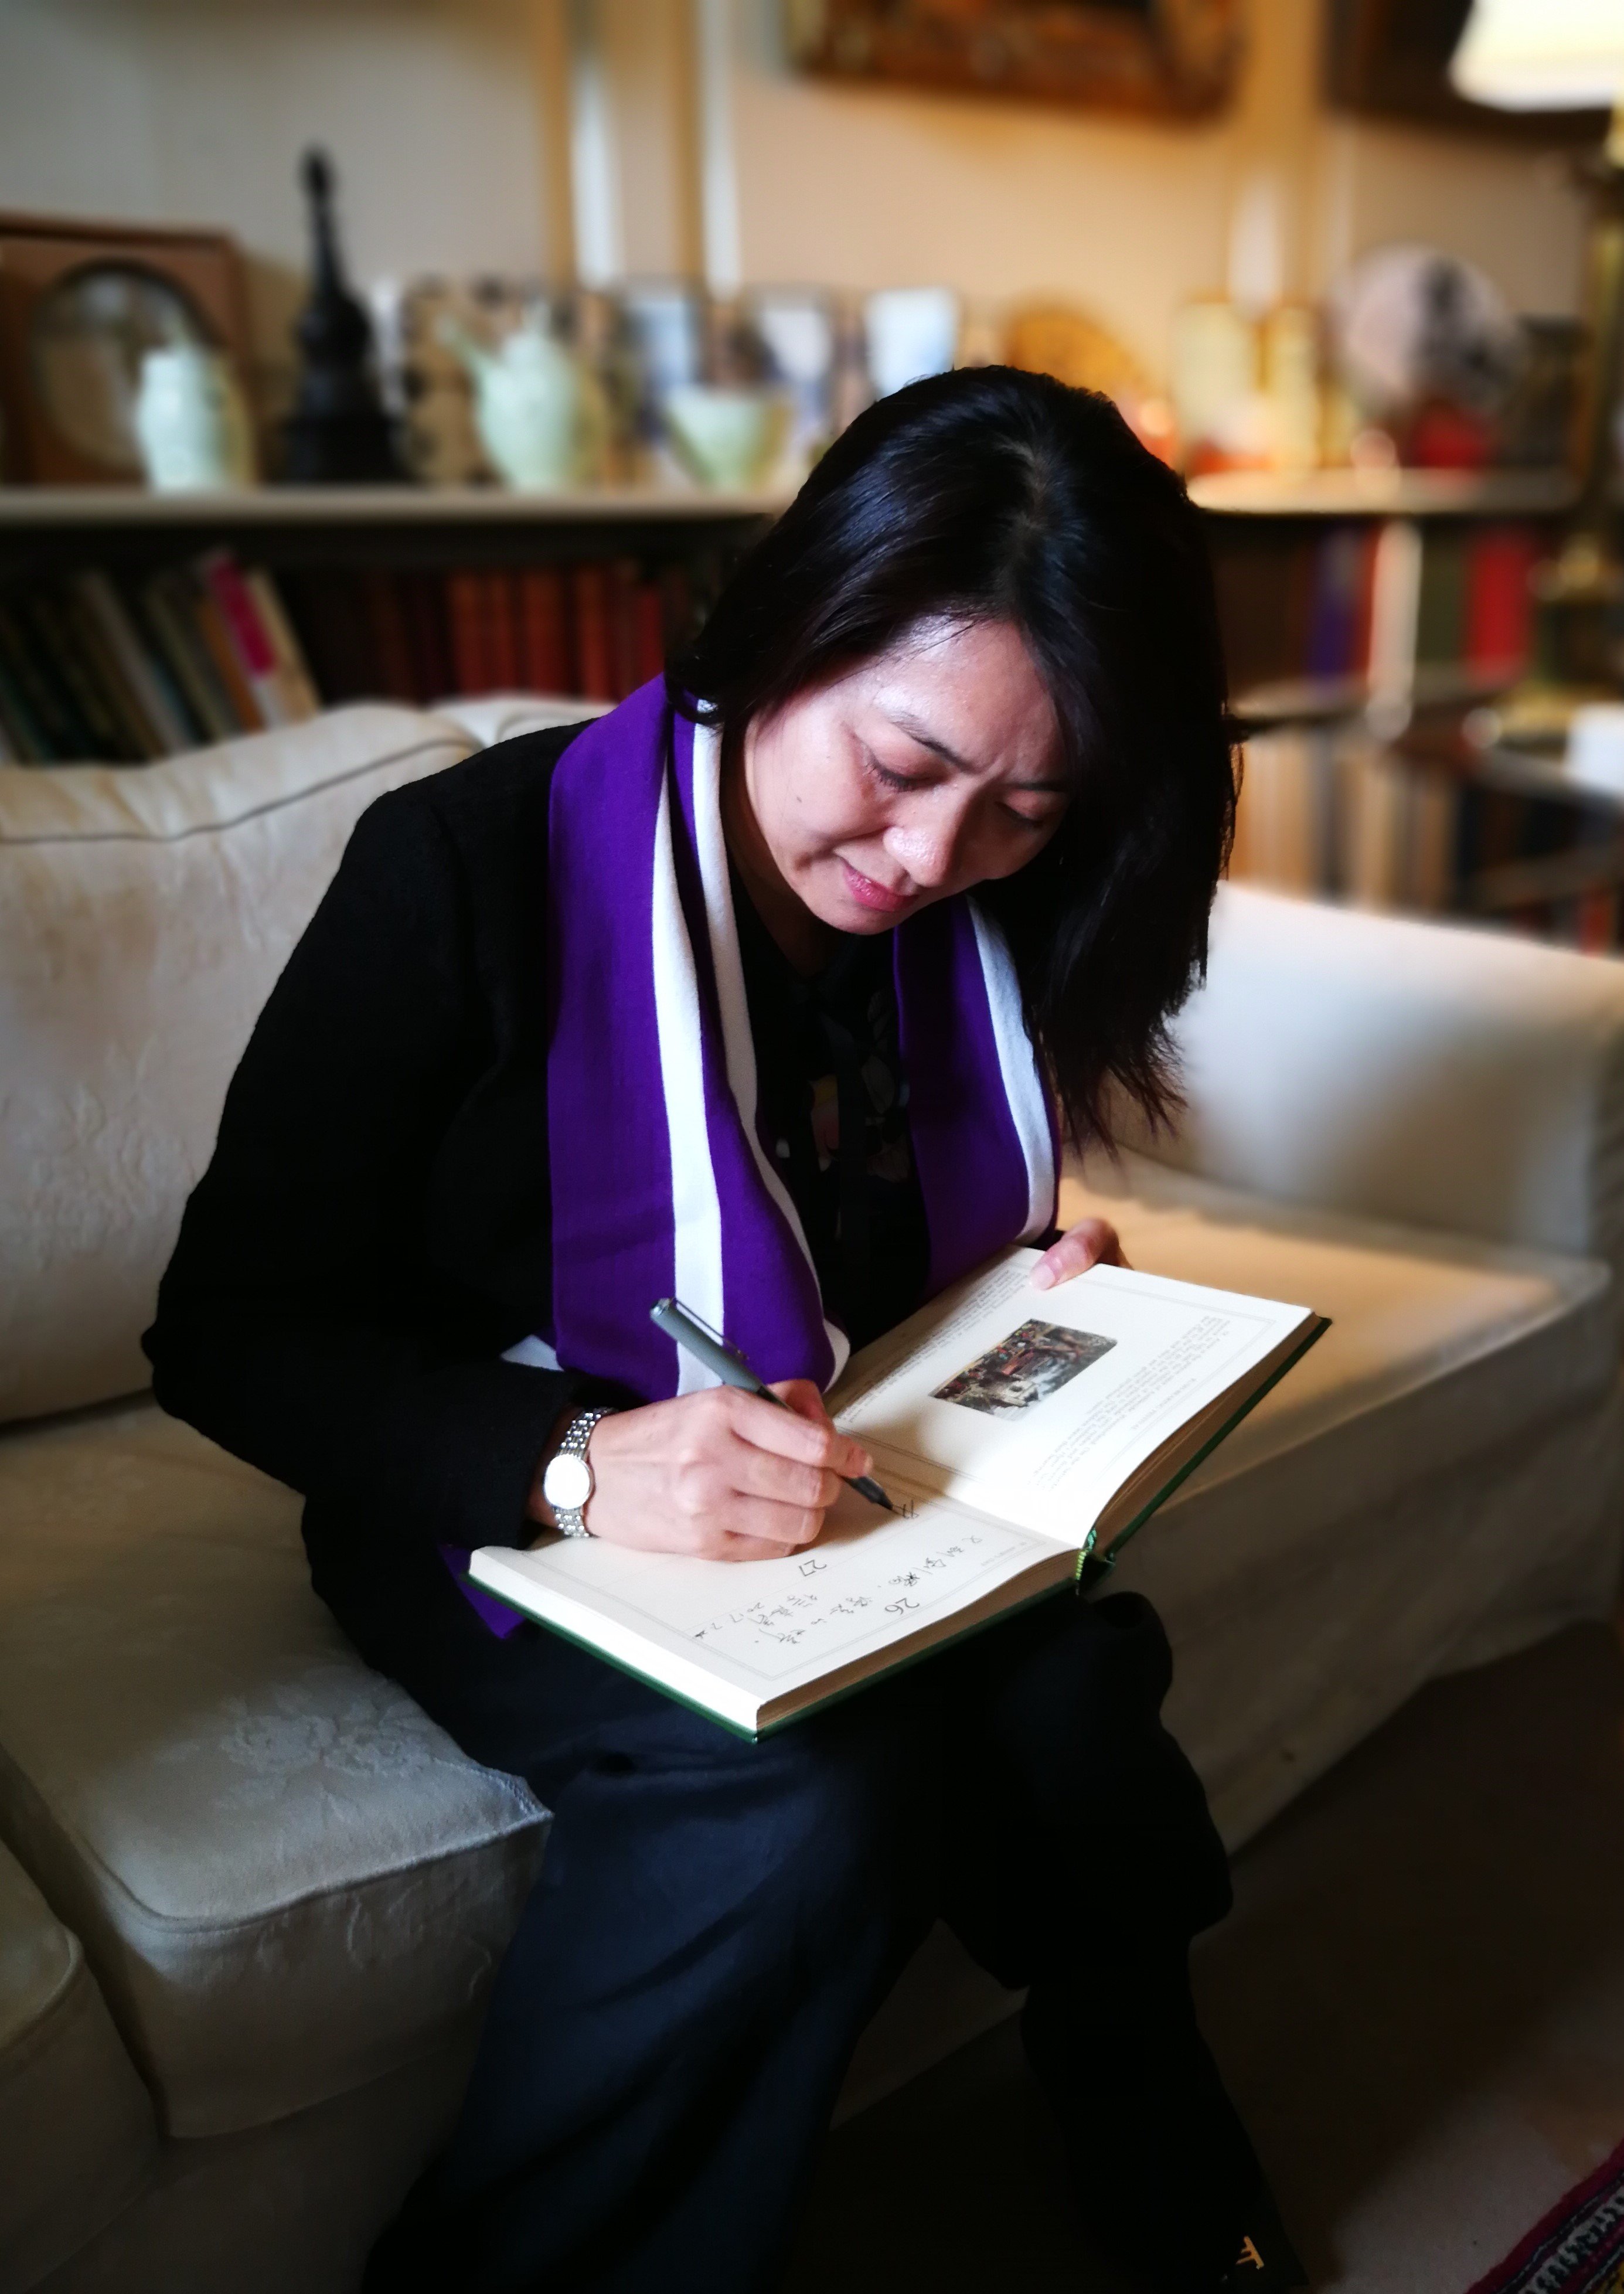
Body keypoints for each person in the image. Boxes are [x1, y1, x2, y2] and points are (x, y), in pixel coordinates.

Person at [144, 367, 1303, 2294]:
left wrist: (1016, 1286)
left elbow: (885, 1232)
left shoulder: (988, 916)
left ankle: (1133, 2099)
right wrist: (577, 1463)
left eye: (1022, 808)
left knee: (1067, 1688)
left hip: (832, 1451)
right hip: (494, 1486)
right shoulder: (465, 867)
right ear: (801, 616)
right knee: (797, 1795)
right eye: (905, 762)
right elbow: (226, 1330)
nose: (929, 857)